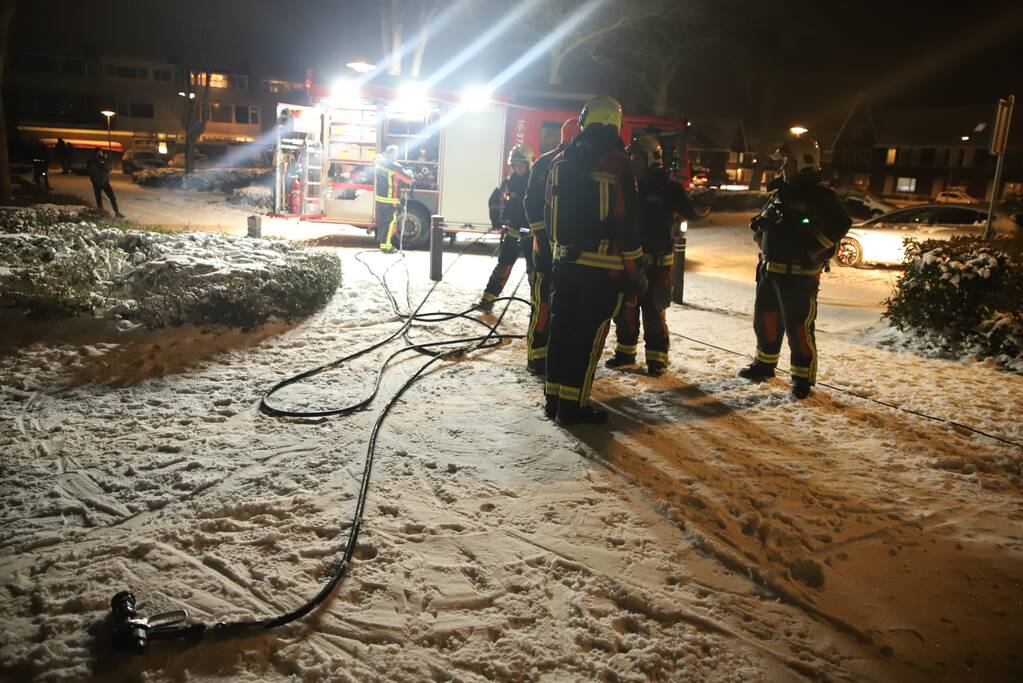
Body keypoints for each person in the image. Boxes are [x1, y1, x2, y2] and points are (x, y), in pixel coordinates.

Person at [543, 95, 644, 425]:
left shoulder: (563, 159)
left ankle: (554, 399)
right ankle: (573, 409)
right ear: (616, 123)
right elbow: (626, 219)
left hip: (564, 263)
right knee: (586, 342)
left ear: (585, 121)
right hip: (603, 269)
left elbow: (548, 212)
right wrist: (635, 269)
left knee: (561, 333)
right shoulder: (617, 162)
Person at [739, 131, 851, 399]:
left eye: (787, 162)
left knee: (798, 328)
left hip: (799, 277)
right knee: (765, 321)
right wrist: (761, 224)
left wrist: (812, 248)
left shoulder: (819, 195)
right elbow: (765, 219)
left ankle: (802, 379)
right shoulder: (781, 192)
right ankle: (764, 365)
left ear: (804, 162)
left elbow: (840, 224)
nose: (783, 167)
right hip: (770, 271)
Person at [605, 135, 703, 376]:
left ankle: (657, 360)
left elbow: (692, 212)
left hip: (657, 263)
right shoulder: (628, 187)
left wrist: (704, 203)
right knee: (626, 308)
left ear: (651, 158)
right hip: (631, 260)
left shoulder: (670, 189)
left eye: (636, 157)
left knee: (653, 310)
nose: (632, 162)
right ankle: (625, 353)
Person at [523, 119, 581, 375]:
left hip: (557, 250)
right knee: (546, 304)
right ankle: (537, 357)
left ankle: (547, 357)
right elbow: (532, 203)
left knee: (549, 305)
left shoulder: (549, 162)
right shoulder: (552, 163)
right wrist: (542, 237)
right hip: (553, 250)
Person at [477, 143, 535, 313]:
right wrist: (496, 219)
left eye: (521, 164)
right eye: (515, 164)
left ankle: (539, 306)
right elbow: (494, 200)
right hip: (512, 233)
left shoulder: (536, 183)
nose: (518, 168)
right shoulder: (509, 183)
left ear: (529, 163)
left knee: (535, 272)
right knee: (503, 266)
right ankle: (487, 302)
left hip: (531, 236)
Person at [374, 144, 413, 252]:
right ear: (395, 154)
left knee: (383, 222)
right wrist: (410, 173)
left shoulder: (379, 162)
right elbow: (407, 180)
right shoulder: (395, 167)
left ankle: (383, 244)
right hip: (390, 199)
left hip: (380, 197)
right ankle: (387, 247)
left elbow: (375, 158)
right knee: (390, 222)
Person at [87, 149, 123, 217]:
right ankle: (101, 212)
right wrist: (100, 163)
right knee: (98, 198)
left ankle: (117, 212)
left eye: (101, 153)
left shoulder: (104, 161)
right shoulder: (92, 161)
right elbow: (91, 169)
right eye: (99, 153)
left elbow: (108, 169)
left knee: (112, 197)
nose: (100, 154)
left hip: (105, 181)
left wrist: (106, 161)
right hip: (96, 182)